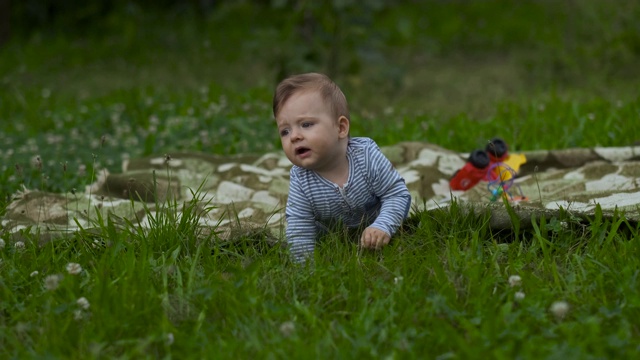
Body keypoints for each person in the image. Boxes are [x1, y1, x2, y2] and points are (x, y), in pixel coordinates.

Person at [272, 72, 412, 262]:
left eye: (306, 124)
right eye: (285, 131)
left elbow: (397, 194)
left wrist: (382, 225)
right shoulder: (301, 179)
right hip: (332, 236)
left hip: (377, 222)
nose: (294, 136)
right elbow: (300, 227)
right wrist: (305, 271)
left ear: (341, 128)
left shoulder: (366, 157)